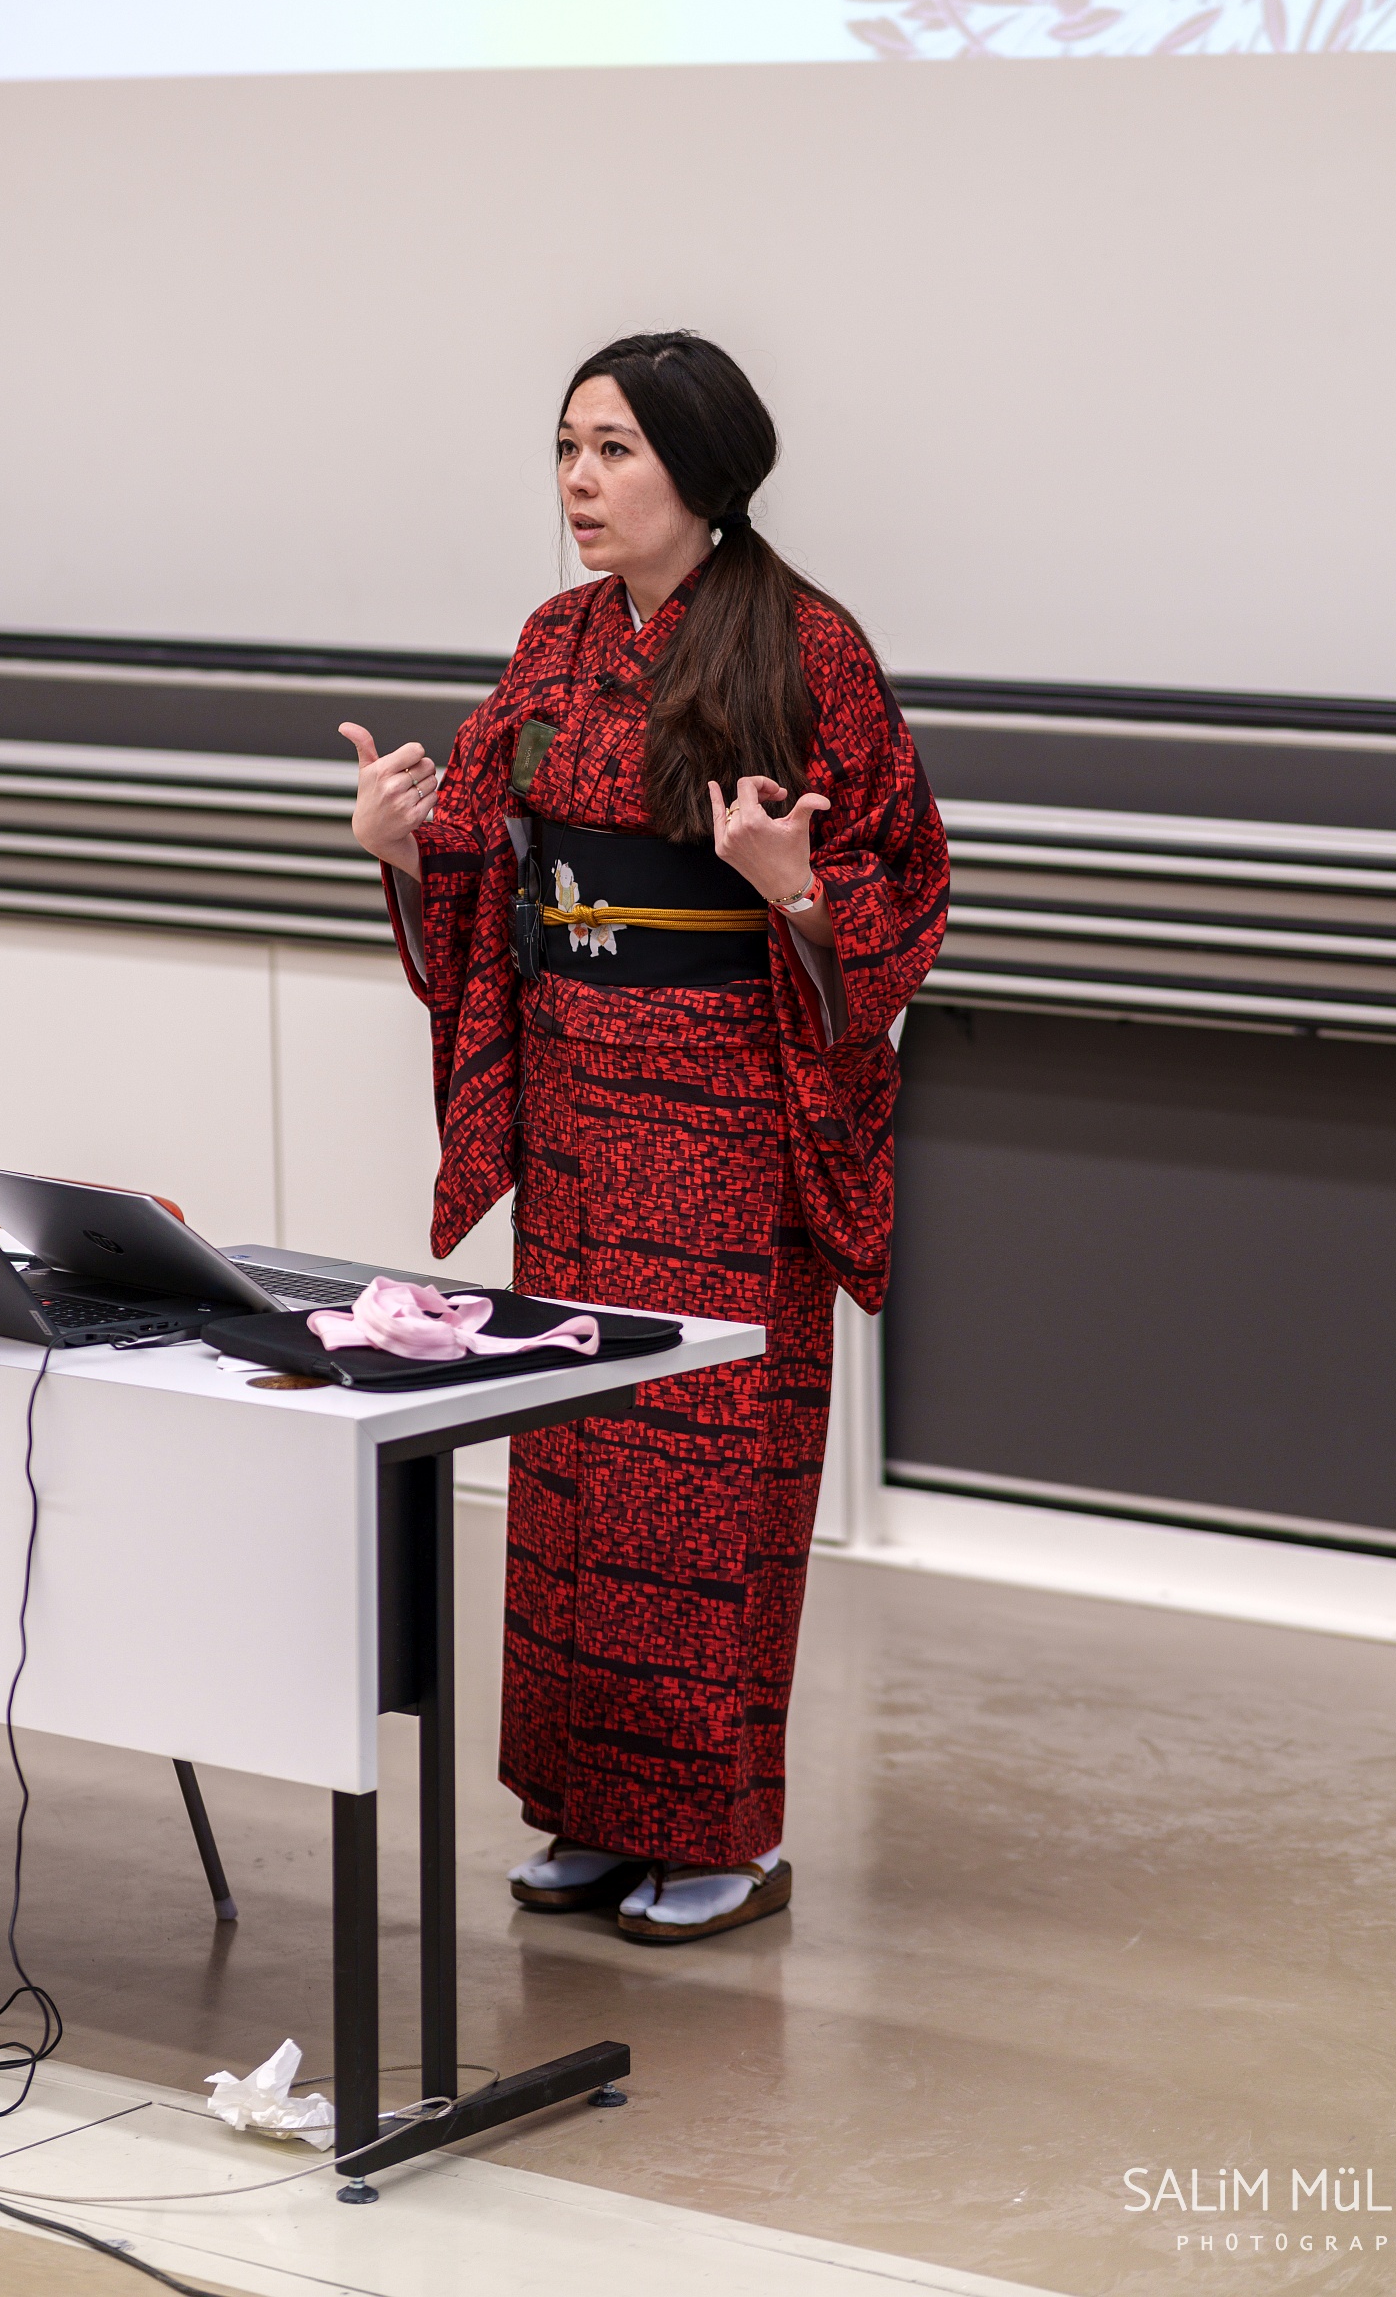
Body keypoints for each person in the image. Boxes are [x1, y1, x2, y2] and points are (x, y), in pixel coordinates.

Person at [341, 332, 950, 1944]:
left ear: (704, 470)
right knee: (578, 1460)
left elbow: (905, 881)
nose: (581, 482)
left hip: (731, 1115)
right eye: (567, 448)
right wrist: (405, 845)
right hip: (579, 1102)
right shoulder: (555, 641)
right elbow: (491, 848)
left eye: (615, 450)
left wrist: (796, 893)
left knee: (705, 1472)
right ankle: (594, 1813)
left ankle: (720, 1835)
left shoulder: (807, 650)